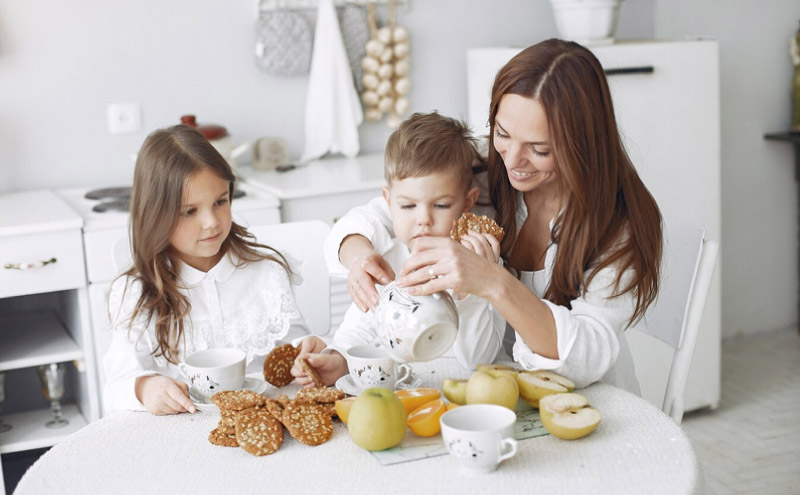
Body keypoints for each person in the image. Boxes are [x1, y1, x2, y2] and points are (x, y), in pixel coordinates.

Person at [324, 39, 663, 394]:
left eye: (539, 149)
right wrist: (359, 256)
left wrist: (491, 281)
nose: (513, 160)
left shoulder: (617, 225)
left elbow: (586, 358)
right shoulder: (484, 172)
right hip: (494, 391)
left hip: (587, 400)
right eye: (502, 133)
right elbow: (383, 213)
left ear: (582, 145)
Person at [103, 125, 311, 415]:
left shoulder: (267, 274)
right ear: (154, 215)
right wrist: (144, 389)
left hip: (262, 424)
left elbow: (296, 352)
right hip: (179, 438)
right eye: (190, 211)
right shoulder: (135, 294)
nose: (212, 222)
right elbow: (116, 386)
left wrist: (310, 354)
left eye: (220, 202)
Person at [291, 112, 507, 387]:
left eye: (440, 205)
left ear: (468, 202)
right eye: (407, 206)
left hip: (464, 401)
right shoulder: (387, 260)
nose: (423, 219)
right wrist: (337, 358)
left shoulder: (484, 264)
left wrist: (471, 293)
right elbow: (357, 332)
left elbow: (479, 361)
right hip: (400, 400)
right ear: (388, 201)